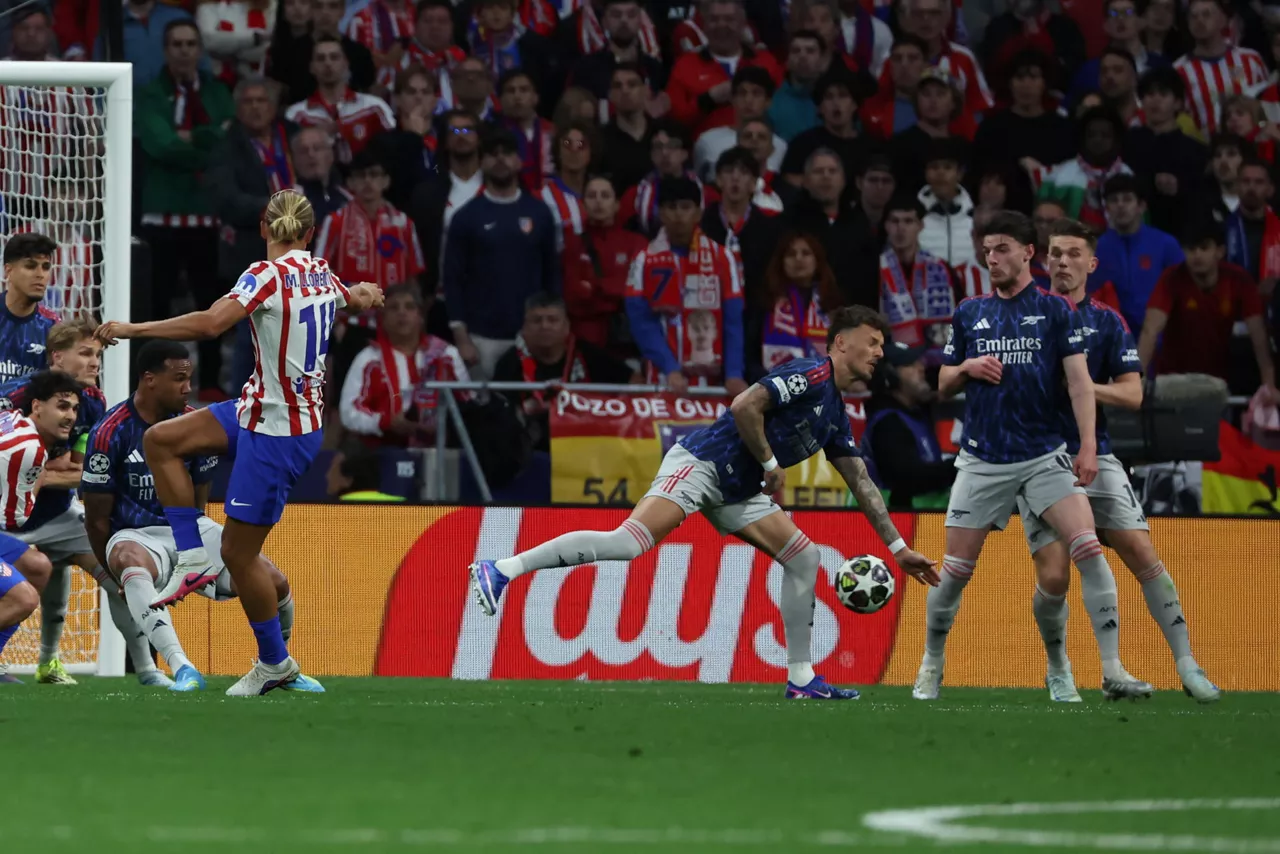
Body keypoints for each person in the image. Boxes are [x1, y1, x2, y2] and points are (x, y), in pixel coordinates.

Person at [470, 305, 940, 700]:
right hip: (705, 463)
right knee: (630, 542)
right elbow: (744, 405)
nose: (881, 353)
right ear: (841, 342)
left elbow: (861, 481)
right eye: (874, 341)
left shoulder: (835, 412)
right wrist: (771, 460)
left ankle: (801, 679)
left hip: (738, 488)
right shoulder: (811, 373)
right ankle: (501, 569)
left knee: (804, 556)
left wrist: (898, 549)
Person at [94, 189, 384, 697]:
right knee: (162, 440)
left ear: (264, 228)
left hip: (280, 433)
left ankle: (274, 663)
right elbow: (352, 296)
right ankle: (189, 555)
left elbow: (211, 323)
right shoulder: (320, 272)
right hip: (254, 410)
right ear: (310, 233)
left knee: (239, 554)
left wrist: (133, 327)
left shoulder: (265, 275)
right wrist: (368, 292)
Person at [914, 210, 1150, 702]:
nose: (992, 258)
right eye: (986, 251)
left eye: (1001, 249)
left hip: (1044, 456)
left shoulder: (1055, 310)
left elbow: (1081, 384)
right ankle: (930, 663)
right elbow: (941, 382)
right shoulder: (969, 311)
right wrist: (968, 367)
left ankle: (1095, 668)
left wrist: (1087, 445)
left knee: (1085, 548)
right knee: (954, 574)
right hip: (982, 458)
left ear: (1027, 253)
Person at [1015, 218, 1218, 703]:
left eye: (1072, 253)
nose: (1062, 261)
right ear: (1044, 261)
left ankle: (1187, 664)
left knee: (1143, 553)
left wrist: (1085, 387)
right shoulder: (1022, 317)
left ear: (1091, 263)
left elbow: (1133, 394)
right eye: (1055, 253)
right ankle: (1059, 666)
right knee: (1055, 574)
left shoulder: (1107, 321)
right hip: (1038, 458)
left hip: (1097, 453)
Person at [81, 340, 324, 694]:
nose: (188, 387)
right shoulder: (110, 431)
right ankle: (183, 669)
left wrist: (197, 547)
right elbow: (97, 516)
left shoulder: (194, 424)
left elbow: (199, 497)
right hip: (137, 534)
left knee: (273, 582)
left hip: (189, 527)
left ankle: (279, 663)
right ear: (150, 379)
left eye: (189, 377)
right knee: (131, 564)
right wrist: (110, 567)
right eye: (179, 378)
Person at [443, 129, 562, 379]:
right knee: (485, 413)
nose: (500, 160)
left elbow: (553, 275)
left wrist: (555, 330)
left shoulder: (540, 213)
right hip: (481, 337)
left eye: (507, 153)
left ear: (519, 160)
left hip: (533, 336)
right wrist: (462, 338)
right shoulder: (465, 217)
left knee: (534, 409)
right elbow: (452, 280)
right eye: (492, 154)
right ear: (482, 161)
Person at [625, 176, 745, 395]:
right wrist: (670, 368)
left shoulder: (723, 258)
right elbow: (641, 322)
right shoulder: (643, 260)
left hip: (713, 383)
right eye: (671, 207)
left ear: (698, 213)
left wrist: (734, 374)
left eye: (686, 207)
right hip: (663, 378)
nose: (679, 215)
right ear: (661, 213)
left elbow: (733, 322)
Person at [1137, 220, 1276, 399]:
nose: (1197, 255)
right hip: (1172, 383)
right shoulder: (1171, 279)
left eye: (1204, 248)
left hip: (1219, 383)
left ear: (1220, 251)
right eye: (1191, 249)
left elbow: (1260, 338)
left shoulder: (1239, 280)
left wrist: (1269, 386)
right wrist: (1135, 380)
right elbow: (1150, 331)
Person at [0, 373, 80, 684]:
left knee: (37, 567)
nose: (69, 416)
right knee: (24, 599)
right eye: (62, 406)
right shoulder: (30, 450)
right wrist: (42, 476)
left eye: (73, 409)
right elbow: (14, 520)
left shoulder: (13, 419)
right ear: (37, 406)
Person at [493, 294, 638, 452]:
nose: (545, 326)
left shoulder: (588, 354)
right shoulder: (510, 362)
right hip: (533, 449)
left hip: (588, 443)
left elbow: (635, 381)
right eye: (537, 320)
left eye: (552, 320)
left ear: (566, 326)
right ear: (524, 327)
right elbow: (500, 414)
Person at [340, 284, 469, 448]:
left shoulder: (446, 355)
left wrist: (443, 425)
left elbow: (467, 403)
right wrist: (384, 421)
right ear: (383, 319)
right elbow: (349, 412)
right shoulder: (369, 359)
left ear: (421, 317)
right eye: (394, 308)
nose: (402, 313)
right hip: (382, 452)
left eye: (410, 307)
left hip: (440, 451)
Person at [861, 341, 954, 509]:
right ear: (891, 376)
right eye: (911, 364)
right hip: (905, 526)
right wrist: (962, 465)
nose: (921, 368)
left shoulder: (913, 413)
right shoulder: (888, 425)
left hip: (924, 521)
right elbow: (909, 479)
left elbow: (935, 381)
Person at [0, 233, 59, 385]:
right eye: (30, 266)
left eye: (45, 267)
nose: (40, 275)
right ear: (8, 270)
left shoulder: (53, 327)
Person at [326, 439, 407, 502]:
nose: (327, 476)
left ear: (347, 480)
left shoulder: (329, 514)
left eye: (332, 468)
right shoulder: (406, 509)